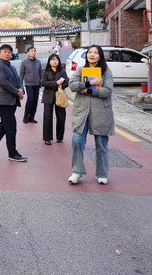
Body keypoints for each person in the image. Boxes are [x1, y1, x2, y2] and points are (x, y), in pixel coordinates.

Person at [68, 45, 114, 185]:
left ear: (100, 56)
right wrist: (90, 83)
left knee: (101, 143)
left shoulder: (106, 71)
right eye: (89, 52)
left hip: (101, 111)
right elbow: (72, 85)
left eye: (95, 53)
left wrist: (88, 91)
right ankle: (77, 171)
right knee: (77, 141)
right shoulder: (81, 70)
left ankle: (102, 173)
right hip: (81, 111)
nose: (92, 55)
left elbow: (107, 90)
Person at [0, 44, 27, 162]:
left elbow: (18, 80)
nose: (7, 54)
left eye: (9, 52)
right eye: (5, 51)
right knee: (11, 127)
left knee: (4, 125)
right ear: (0, 53)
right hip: (3, 101)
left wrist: (21, 89)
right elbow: (4, 83)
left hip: (11, 100)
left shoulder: (11, 66)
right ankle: (12, 154)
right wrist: (17, 92)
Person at [40, 54, 69, 145]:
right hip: (48, 97)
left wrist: (61, 84)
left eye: (56, 60)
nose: (55, 61)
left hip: (60, 96)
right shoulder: (45, 72)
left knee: (61, 117)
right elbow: (43, 82)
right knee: (47, 117)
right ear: (49, 62)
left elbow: (66, 82)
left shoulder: (62, 72)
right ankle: (47, 138)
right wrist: (56, 83)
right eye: (52, 60)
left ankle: (59, 137)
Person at [19, 46, 42, 123]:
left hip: (37, 84)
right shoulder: (24, 62)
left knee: (35, 101)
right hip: (29, 84)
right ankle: (25, 116)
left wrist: (41, 82)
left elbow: (40, 73)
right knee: (30, 99)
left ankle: (31, 117)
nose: (33, 52)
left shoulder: (38, 62)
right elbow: (21, 75)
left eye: (34, 51)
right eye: (31, 51)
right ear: (28, 52)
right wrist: (21, 86)